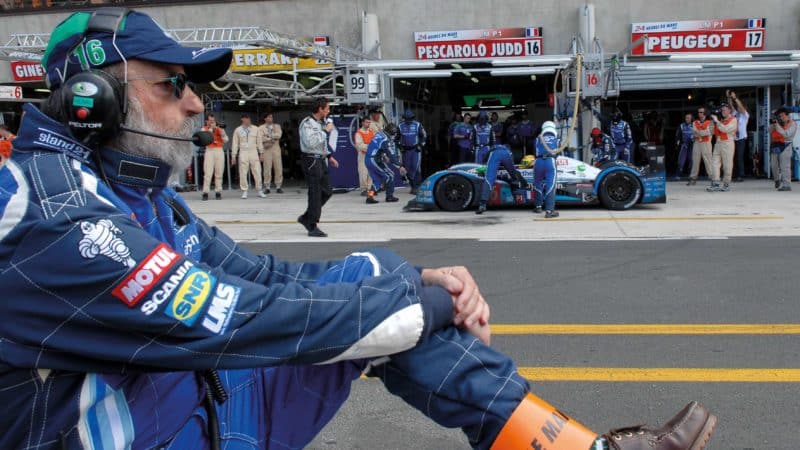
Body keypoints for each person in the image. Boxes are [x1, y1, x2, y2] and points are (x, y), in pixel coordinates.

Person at [0, 8, 717, 450]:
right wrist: (427, 306)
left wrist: (415, 281)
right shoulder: (56, 215)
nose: (196, 106)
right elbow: (236, 317)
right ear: (89, 100)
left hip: (208, 412)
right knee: (387, 304)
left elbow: (266, 275)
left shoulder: (145, 198)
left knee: (376, 271)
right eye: (172, 85)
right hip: (159, 436)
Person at [298, 97, 339, 237]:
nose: (328, 110)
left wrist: (329, 156)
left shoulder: (321, 122)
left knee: (327, 191)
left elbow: (321, 144)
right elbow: (311, 143)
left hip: (321, 159)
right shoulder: (307, 123)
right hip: (311, 160)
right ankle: (312, 224)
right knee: (315, 193)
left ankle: (307, 217)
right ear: (320, 109)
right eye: (327, 108)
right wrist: (325, 131)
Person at [475, 144, 523, 214]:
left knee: (489, 179)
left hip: (495, 154)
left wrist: (485, 165)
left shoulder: (493, 149)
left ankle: (482, 205)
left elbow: (485, 161)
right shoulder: (508, 150)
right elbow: (512, 166)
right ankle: (518, 191)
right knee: (514, 174)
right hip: (506, 154)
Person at [365, 123, 406, 204]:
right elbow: (392, 156)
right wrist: (400, 166)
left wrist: (383, 155)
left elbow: (376, 146)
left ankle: (370, 196)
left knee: (377, 180)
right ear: (392, 133)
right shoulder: (386, 140)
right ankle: (389, 196)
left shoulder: (379, 134)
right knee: (390, 175)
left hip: (368, 159)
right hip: (374, 160)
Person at [231, 113, 265, 199]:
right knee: (243, 171)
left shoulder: (255, 129)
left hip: (253, 151)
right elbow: (235, 144)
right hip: (243, 151)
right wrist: (233, 156)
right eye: (247, 119)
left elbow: (259, 142)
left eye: (249, 119)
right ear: (243, 119)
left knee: (257, 171)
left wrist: (261, 153)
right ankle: (244, 191)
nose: (249, 120)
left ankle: (259, 190)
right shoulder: (238, 130)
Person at [707, 104, 738, 192]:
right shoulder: (720, 120)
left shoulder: (733, 120)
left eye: (724, 110)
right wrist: (712, 122)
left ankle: (726, 183)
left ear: (729, 111)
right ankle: (716, 182)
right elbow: (711, 131)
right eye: (722, 110)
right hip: (718, 142)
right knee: (714, 163)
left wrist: (717, 121)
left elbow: (725, 129)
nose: (722, 111)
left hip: (727, 142)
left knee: (727, 164)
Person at [533, 121, 561, 218]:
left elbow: (535, 151)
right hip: (550, 161)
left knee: (537, 183)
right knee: (550, 185)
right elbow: (558, 153)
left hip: (538, 161)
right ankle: (549, 211)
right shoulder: (556, 139)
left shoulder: (538, 138)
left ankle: (538, 206)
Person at [397, 109, 427, 194]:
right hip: (405, 151)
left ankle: (417, 186)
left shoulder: (418, 125)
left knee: (416, 167)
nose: (408, 120)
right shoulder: (400, 126)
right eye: (407, 118)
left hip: (415, 150)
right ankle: (413, 186)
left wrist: (420, 145)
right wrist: (400, 146)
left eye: (410, 118)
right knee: (407, 168)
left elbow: (424, 136)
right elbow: (396, 138)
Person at [200, 113, 228, 200]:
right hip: (209, 150)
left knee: (219, 172)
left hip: (219, 150)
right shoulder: (204, 129)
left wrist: (221, 131)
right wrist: (211, 130)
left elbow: (226, 140)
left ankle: (218, 191)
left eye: (213, 121)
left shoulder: (219, 129)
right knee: (208, 172)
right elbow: (204, 140)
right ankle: (205, 192)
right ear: (206, 121)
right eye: (210, 121)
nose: (212, 122)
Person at [770, 107, 797, 191]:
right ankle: (777, 180)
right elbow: (769, 131)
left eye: (782, 116)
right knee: (773, 165)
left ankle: (786, 185)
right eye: (779, 116)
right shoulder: (777, 123)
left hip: (786, 145)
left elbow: (787, 134)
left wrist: (778, 127)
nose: (781, 118)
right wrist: (773, 124)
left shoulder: (792, 124)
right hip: (776, 145)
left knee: (785, 166)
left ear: (787, 116)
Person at [688, 107, 714, 186]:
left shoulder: (711, 122)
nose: (699, 113)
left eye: (701, 112)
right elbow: (694, 133)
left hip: (706, 143)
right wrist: (703, 132)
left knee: (708, 161)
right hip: (697, 143)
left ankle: (713, 179)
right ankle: (693, 179)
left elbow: (711, 132)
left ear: (705, 113)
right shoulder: (695, 122)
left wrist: (699, 132)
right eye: (699, 112)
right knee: (695, 161)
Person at [727, 90, 750, 182]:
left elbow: (740, 106)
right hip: (733, 138)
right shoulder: (735, 114)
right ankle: (734, 174)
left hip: (741, 139)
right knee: (733, 156)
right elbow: (731, 106)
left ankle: (741, 175)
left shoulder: (745, 115)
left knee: (739, 156)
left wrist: (735, 98)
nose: (739, 108)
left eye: (741, 107)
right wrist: (729, 97)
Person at [259, 112, 284, 194]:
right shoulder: (261, 128)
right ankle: (267, 186)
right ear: (265, 118)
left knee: (278, 167)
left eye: (271, 117)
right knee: (267, 168)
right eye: (269, 117)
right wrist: (271, 137)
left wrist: (269, 136)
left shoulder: (277, 126)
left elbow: (279, 135)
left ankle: (278, 186)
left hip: (276, 148)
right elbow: (261, 138)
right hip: (266, 149)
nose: (271, 118)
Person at [354, 116, 375, 196]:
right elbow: (359, 145)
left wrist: (371, 147)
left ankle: (370, 189)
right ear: (362, 123)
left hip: (371, 155)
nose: (368, 124)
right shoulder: (359, 133)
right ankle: (363, 189)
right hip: (363, 155)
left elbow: (374, 142)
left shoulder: (371, 132)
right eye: (366, 122)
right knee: (363, 172)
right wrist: (370, 147)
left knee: (371, 172)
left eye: (369, 122)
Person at [674, 113, 694, 180]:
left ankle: (691, 175)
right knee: (681, 160)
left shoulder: (694, 125)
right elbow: (678, 136)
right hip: (684, 145)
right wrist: (677, 144)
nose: (687, 119)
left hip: (692, 145)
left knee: (691, 160)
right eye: (686, 118)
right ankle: (678, 175)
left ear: (691, 118)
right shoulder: (682, 125)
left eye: (688, 118)